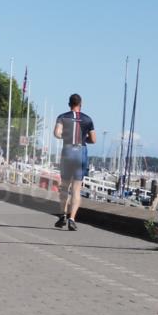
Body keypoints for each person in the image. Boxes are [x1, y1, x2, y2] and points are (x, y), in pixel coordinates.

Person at [53, 94, 96, 231]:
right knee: (76, 189)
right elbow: (93, 140)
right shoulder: (88, 119)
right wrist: (83, 139)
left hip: (67, 151)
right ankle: (72, 218)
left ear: (69, 103)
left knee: (64, 187)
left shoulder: (62, 117)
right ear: (80, 104)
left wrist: (67, 136)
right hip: (80, 152)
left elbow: (57, 133)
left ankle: (62, 216)